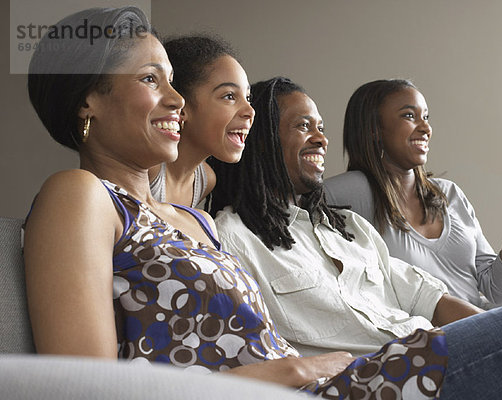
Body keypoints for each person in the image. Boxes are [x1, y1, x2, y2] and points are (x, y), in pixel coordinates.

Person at [23, 8, 454, 398]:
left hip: (334, 382)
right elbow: (88, 389)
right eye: (150, 79)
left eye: (172, 81)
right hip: (313, 387)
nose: (176, 100)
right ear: (87, 101)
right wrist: (293, 370)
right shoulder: (81, 194)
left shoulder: (196, 219)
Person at [208, 77, 502, 398]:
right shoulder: (233, 237)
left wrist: (500, 337)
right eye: (303, 126)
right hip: (384, 378)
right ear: (261, 140)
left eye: (321, 128)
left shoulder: (347, 228)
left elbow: (427, 297)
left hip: (437, 350)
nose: (320, 139)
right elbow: (244, 350)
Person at [324, 79, 502, 308]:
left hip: (481, 322)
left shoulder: (448, 193)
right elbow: (292, 210)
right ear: (374, 130)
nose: (425, 128)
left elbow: (499, 292)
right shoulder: (352, 193)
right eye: (409, 116)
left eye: (425, 117)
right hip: (436, 340)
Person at [148, 35, 251, 208]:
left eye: (248, 97)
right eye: (229, 96)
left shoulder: (205, 179)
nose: (250, 111)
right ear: (181, 105)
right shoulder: (149, 169)